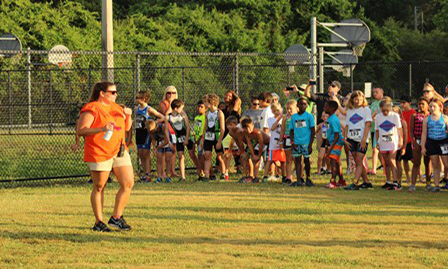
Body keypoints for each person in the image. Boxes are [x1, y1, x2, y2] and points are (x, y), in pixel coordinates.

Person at [77, 81, 134, 232]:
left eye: (116, 92)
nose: (116, 95)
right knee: (100, 186)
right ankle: (99, 222)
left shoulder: (116, 108)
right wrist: (102, 128)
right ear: (102, 93)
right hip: (99, 151)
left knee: (128, 183)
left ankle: (116, 217)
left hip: (119, 150)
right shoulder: (92, 108)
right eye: (113, 92)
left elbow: (126, 128)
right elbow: (81, 130)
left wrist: (128, 116)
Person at [343, 91, 373, 190]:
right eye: (356, 99)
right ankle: (366, 182)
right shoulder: (350, 110)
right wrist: (345, 138)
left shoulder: (366, 110)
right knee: (357, 161)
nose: (358, 101)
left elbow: (368, 125)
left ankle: (355, 182)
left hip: (361, 139)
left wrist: (364, 139)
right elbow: (347, 125)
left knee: (359, 160)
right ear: (352, 100)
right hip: (351, 138)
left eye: (360, 99)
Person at [135, 91, 165, 182]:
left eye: (138, 98)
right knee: (140, 153)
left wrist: (154, 123)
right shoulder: (137, 108)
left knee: (146, 153)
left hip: (146, 133)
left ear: (144, 99)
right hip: (138, 132)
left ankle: (148, 175)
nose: (136, 99)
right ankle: (144, 174)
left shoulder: (148, 109)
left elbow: (161, 117)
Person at [421, 98, 448, 192]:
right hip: (432, 142)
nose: (432, 108)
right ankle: (436, 186)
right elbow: (424, 133)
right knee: (435, 165)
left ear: (440, 107)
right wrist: (423, 146)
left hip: (443, 142)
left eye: (434, 106)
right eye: (430, 106)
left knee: (446, 164)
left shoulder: (445, 118)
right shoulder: (426, 119)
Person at [375, 99, 403, 191]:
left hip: (393, 141)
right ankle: (388, 181)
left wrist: (400, 140)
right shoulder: (378, 117)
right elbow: (377, 130)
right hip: (383, 142)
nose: (385, 112)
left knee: (392, 160)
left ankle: (396, 181)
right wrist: (377, 142)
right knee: (385, 162)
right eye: (383, 111)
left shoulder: (395, 116)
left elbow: (399, 129)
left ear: (390, 108)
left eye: (387, 110)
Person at [290, 97, 315, 187]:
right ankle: (299, 179)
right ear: (297, 105)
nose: (303, 106)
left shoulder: (309, 116)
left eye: (305, 104)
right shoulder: (294, 117)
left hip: (306, 143)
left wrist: (310, 144)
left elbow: (312, 130)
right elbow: (291, 131)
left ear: (307, 105)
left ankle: (308, 178)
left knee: (306, 160)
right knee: (297, 160)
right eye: (301, 104)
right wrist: (292, 143)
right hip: (297, 142)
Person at [166, 99, 193, 182]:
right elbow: (166, 129)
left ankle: (201, 172)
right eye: (181, 108)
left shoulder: (183, 114)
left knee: (192, 155)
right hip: (178, 139)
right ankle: (183, 177)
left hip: (187, 137)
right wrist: (169, 141)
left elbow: (188, 127)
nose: (182, 110)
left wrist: (187, 138)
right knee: (180, 156)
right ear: (175, 108)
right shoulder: (169, 117)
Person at [201, 94, 226, 182]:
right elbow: (205, 126)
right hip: (208, 136)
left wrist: (219, 141)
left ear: (211, 102)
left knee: (219, 157)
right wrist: (203, 138)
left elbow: (222, 129)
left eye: (205, 102)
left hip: (216, 136)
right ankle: (207, 175)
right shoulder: (207, 113)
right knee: (207, 155)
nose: (204, 104)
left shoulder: (219, 113)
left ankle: (223, 173)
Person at [409, 97, 431, 192]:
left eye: (423, 104)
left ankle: (428, 183)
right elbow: (411, 130)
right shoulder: (414, 116)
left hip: (428, 141)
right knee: (416, 163)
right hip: (417, 140)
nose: (421, 106)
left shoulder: (430, 116)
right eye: (419, 104)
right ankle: (413, 184)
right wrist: (414, 140)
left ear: (428, 106)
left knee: (427, 162)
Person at [158, 86, 180, 178]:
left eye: (173, 93)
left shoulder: (178, 104)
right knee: (164, 151)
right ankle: (163, 172)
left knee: (174, 150)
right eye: (169, 93)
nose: (171, 95)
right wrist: (171, 104)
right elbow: (166, 114)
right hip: (166, 129)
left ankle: (172, 171)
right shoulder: (163, 103)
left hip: (175, 129)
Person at [241, 117, 270, 182]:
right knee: (253, 160)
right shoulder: (246, 133)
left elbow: (261, 144)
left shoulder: (258, 133)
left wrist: (259, 156)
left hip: (267, 144)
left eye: (249, 127)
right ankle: (255, 177)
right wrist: (253, 154)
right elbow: (249, 143)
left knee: (271, 161)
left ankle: (276, 174)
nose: (248, 130)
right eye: (246, 128)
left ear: (253, 126)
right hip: (258, 145)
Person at [324, 101, 345, 189]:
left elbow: (337, 134)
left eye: (326, 106)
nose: (324, 108)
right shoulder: (329, 119)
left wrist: (331, 148)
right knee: (336, 162)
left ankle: (333, 181)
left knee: (333, 161)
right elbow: (328, 133)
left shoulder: (334, 119)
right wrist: (327, 144)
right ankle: (341, 181)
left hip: (336, 142)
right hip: (332, 142)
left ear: (332, 108)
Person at [264, 103, 287, 183]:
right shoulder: (270, 119)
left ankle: (284, 177)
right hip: (273, 144)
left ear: (281, 109)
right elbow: (273, 128)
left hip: (282, 143)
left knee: (283, 161)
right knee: (270, 160)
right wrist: (278, 119)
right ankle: (265, 176)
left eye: (278, 110)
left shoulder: (285, 118)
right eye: (274, 111)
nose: (276, 112)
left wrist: (282, 118)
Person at [225, 116, 253, 181]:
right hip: (246, 144)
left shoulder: (239, 131)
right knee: (243, 158)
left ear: (236, 124)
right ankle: (244, 175)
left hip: (251, 143)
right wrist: (230, 150)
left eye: (231, 125)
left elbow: (241, 142)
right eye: (227, 125)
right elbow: (236, 141)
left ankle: (251, 175)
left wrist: (242, 151)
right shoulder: (231, 132)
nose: (229, 126)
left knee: (248, 158)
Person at [279, 99, 298, 183]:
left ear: (297, 108)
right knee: (288, 159)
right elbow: (282, 130)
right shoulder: (285, 118)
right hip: (287, 139)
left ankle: (299, 176)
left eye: (291, 109)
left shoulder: (298, 117)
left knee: (296, 158)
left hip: (296, 139)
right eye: (287, 109)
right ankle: (288, 177)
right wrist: (280, 141)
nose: (289, 111)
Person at [399, 96, 416, 184]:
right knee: (405, 160)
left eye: (404, 103)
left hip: (411, 139)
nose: (402, 104)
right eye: (401, 103)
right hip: (403, 140)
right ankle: (408, 177)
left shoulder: (413, 112)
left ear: (409, 103)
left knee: (414, 160)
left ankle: (419, 176)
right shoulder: (400, 113)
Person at [392, 106, 408, 190]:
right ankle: (394, 180)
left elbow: (405, 135)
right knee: (392, 162)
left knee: (398, 163)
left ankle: (399, 180)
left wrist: (404, 147)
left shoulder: (403, 122)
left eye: (395, 112)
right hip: (391, 145)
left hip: (399, 145)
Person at [369, 87, 384, 175]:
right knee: (376, 150)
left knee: (378, 150)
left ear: (382, 92)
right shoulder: (373, 103)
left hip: (382, 129)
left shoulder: (384, 102)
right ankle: (379, 166)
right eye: (373, 92)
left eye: (376, 92)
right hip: (374, 129)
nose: (374, 93)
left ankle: (377, 167)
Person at [192, 100, 207, 180]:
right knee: (199, 156)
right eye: (198, 106)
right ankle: (201, 173)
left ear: (206, 109)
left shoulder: (205, 117)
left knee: (204, 156)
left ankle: (207, 173)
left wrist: (201, 138)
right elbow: (196, 128)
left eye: (201, 107)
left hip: (203, 138)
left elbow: (204, 129)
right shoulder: (196, 118)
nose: (199, 108)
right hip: (198, 138)